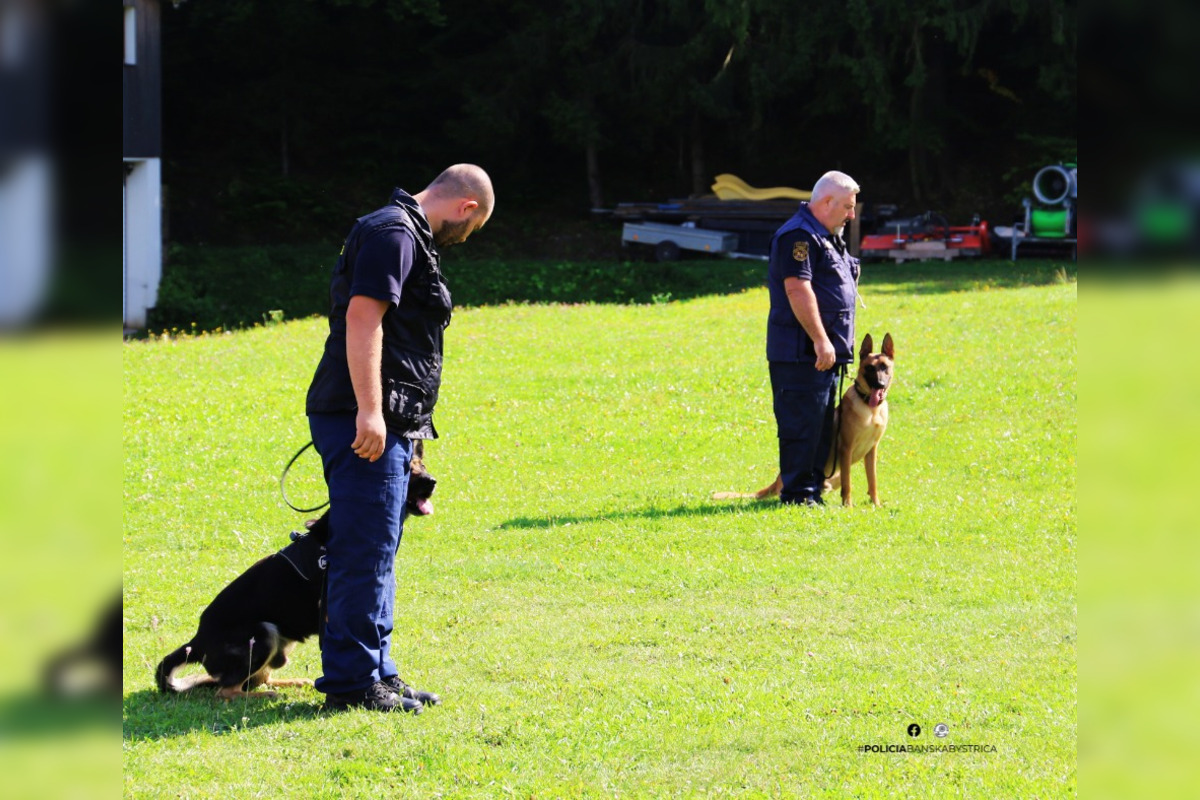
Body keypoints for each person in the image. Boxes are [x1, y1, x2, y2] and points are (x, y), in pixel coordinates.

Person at [305, 164, 494, 712]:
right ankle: (351, 684)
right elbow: (364, 320)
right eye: (473, 227)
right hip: (363, 416)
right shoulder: (394, 233)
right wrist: (369, 411)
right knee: (362, 552)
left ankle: (379, 672)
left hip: (392, 417)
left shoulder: (406, 234)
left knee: (378, 547)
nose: (466, 238)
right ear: (466, 208)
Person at [766, 171, 861, 506]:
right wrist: (821, 340)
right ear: (826, 202)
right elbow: (797, 288)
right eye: (848, 207)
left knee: (820, 424)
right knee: (801, 424)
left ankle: (813, 489)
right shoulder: (799, 236)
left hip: (824, 352)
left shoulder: (826, 236)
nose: (852, 214)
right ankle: (797, 495)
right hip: (800, 351)